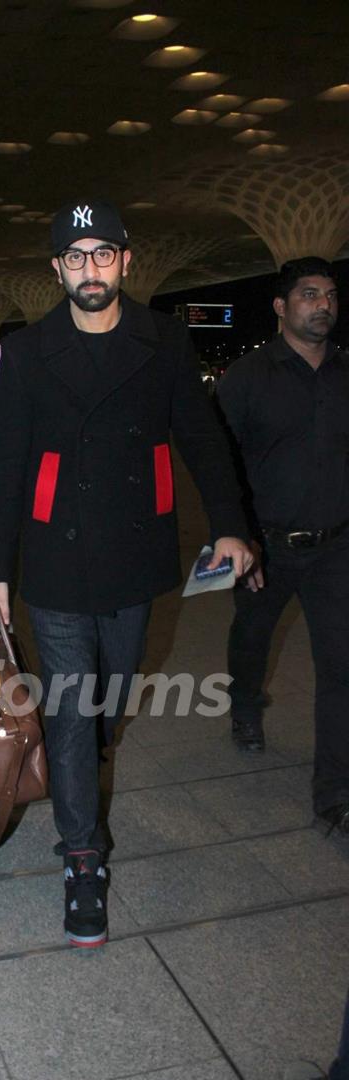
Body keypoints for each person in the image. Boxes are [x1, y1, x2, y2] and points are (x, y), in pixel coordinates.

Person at [0, 198, 252, 948]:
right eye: (75, 257)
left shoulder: (162, 341)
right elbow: (9, 469)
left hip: (135, 553)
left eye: (103, 254)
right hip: (58, 558)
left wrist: (229, 523)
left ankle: (82, 765)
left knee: (108, 700)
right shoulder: (29, 354)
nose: (90, 270)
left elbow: (201, 437)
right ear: (57, 269)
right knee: (71, 710)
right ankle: (82, 858)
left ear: (126, 262)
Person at [217, 257, 349, 834]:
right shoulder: (245, 379)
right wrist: (240, 542)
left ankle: (335, 796)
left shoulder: (347, 372)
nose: (322, 304)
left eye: (330, 294)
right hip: (266, 548)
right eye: (308, 294)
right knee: (251, 638)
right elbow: (222, 469)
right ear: (280, 306)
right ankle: (245, 706)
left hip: (337, 550)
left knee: (341, 670)